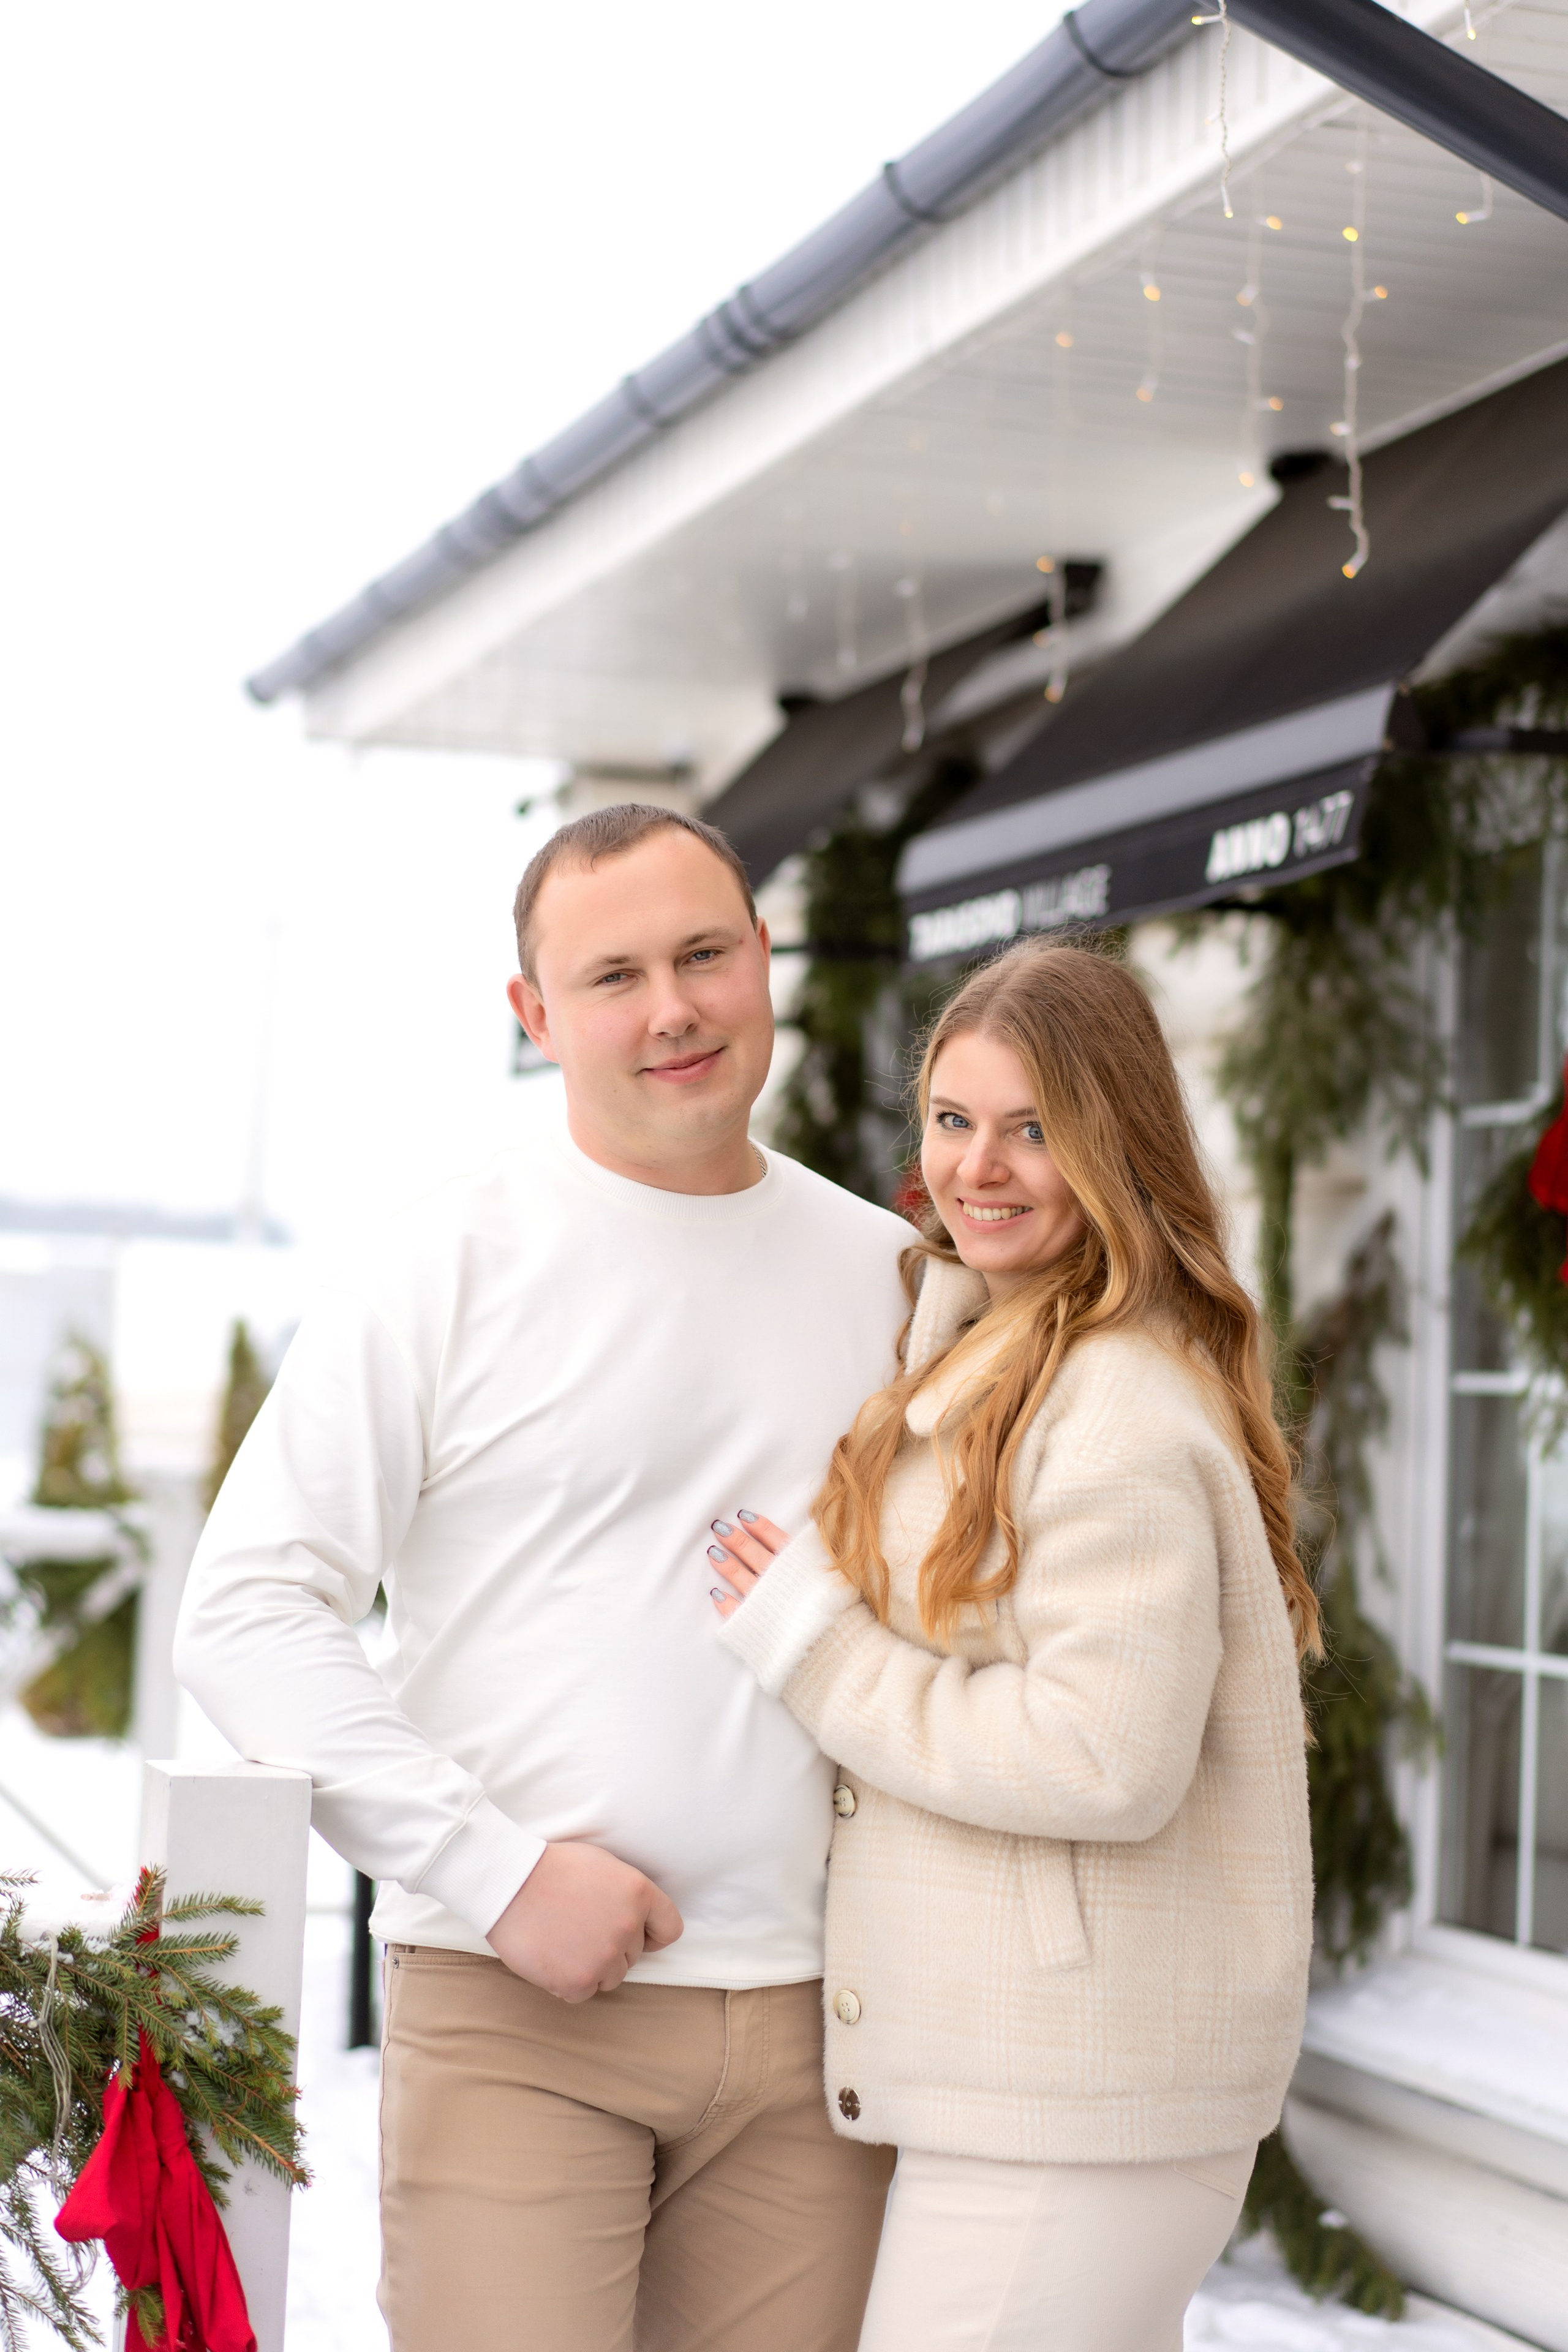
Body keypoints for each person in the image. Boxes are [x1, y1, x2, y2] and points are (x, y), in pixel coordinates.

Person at [175, 804, 913, 2352]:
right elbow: (244, 1611)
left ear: (761, 954)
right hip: (520, 2021)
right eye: (613, 974)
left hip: (820, 2035)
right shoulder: (442, 1265)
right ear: (533, 1015)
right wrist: (499, 1876)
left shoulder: (888, 1278)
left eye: (704, 953)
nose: (672, 1009)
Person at [705, 940, 1316, 2352]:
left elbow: (1102, 1760)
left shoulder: (1109, 1414)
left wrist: (812, 1644)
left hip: (1075, 2105)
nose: (979, 1167)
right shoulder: (1005, 1356)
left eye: (1033, 1129)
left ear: (1113, 1145)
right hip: (1038, 2089)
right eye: (953, 1121)